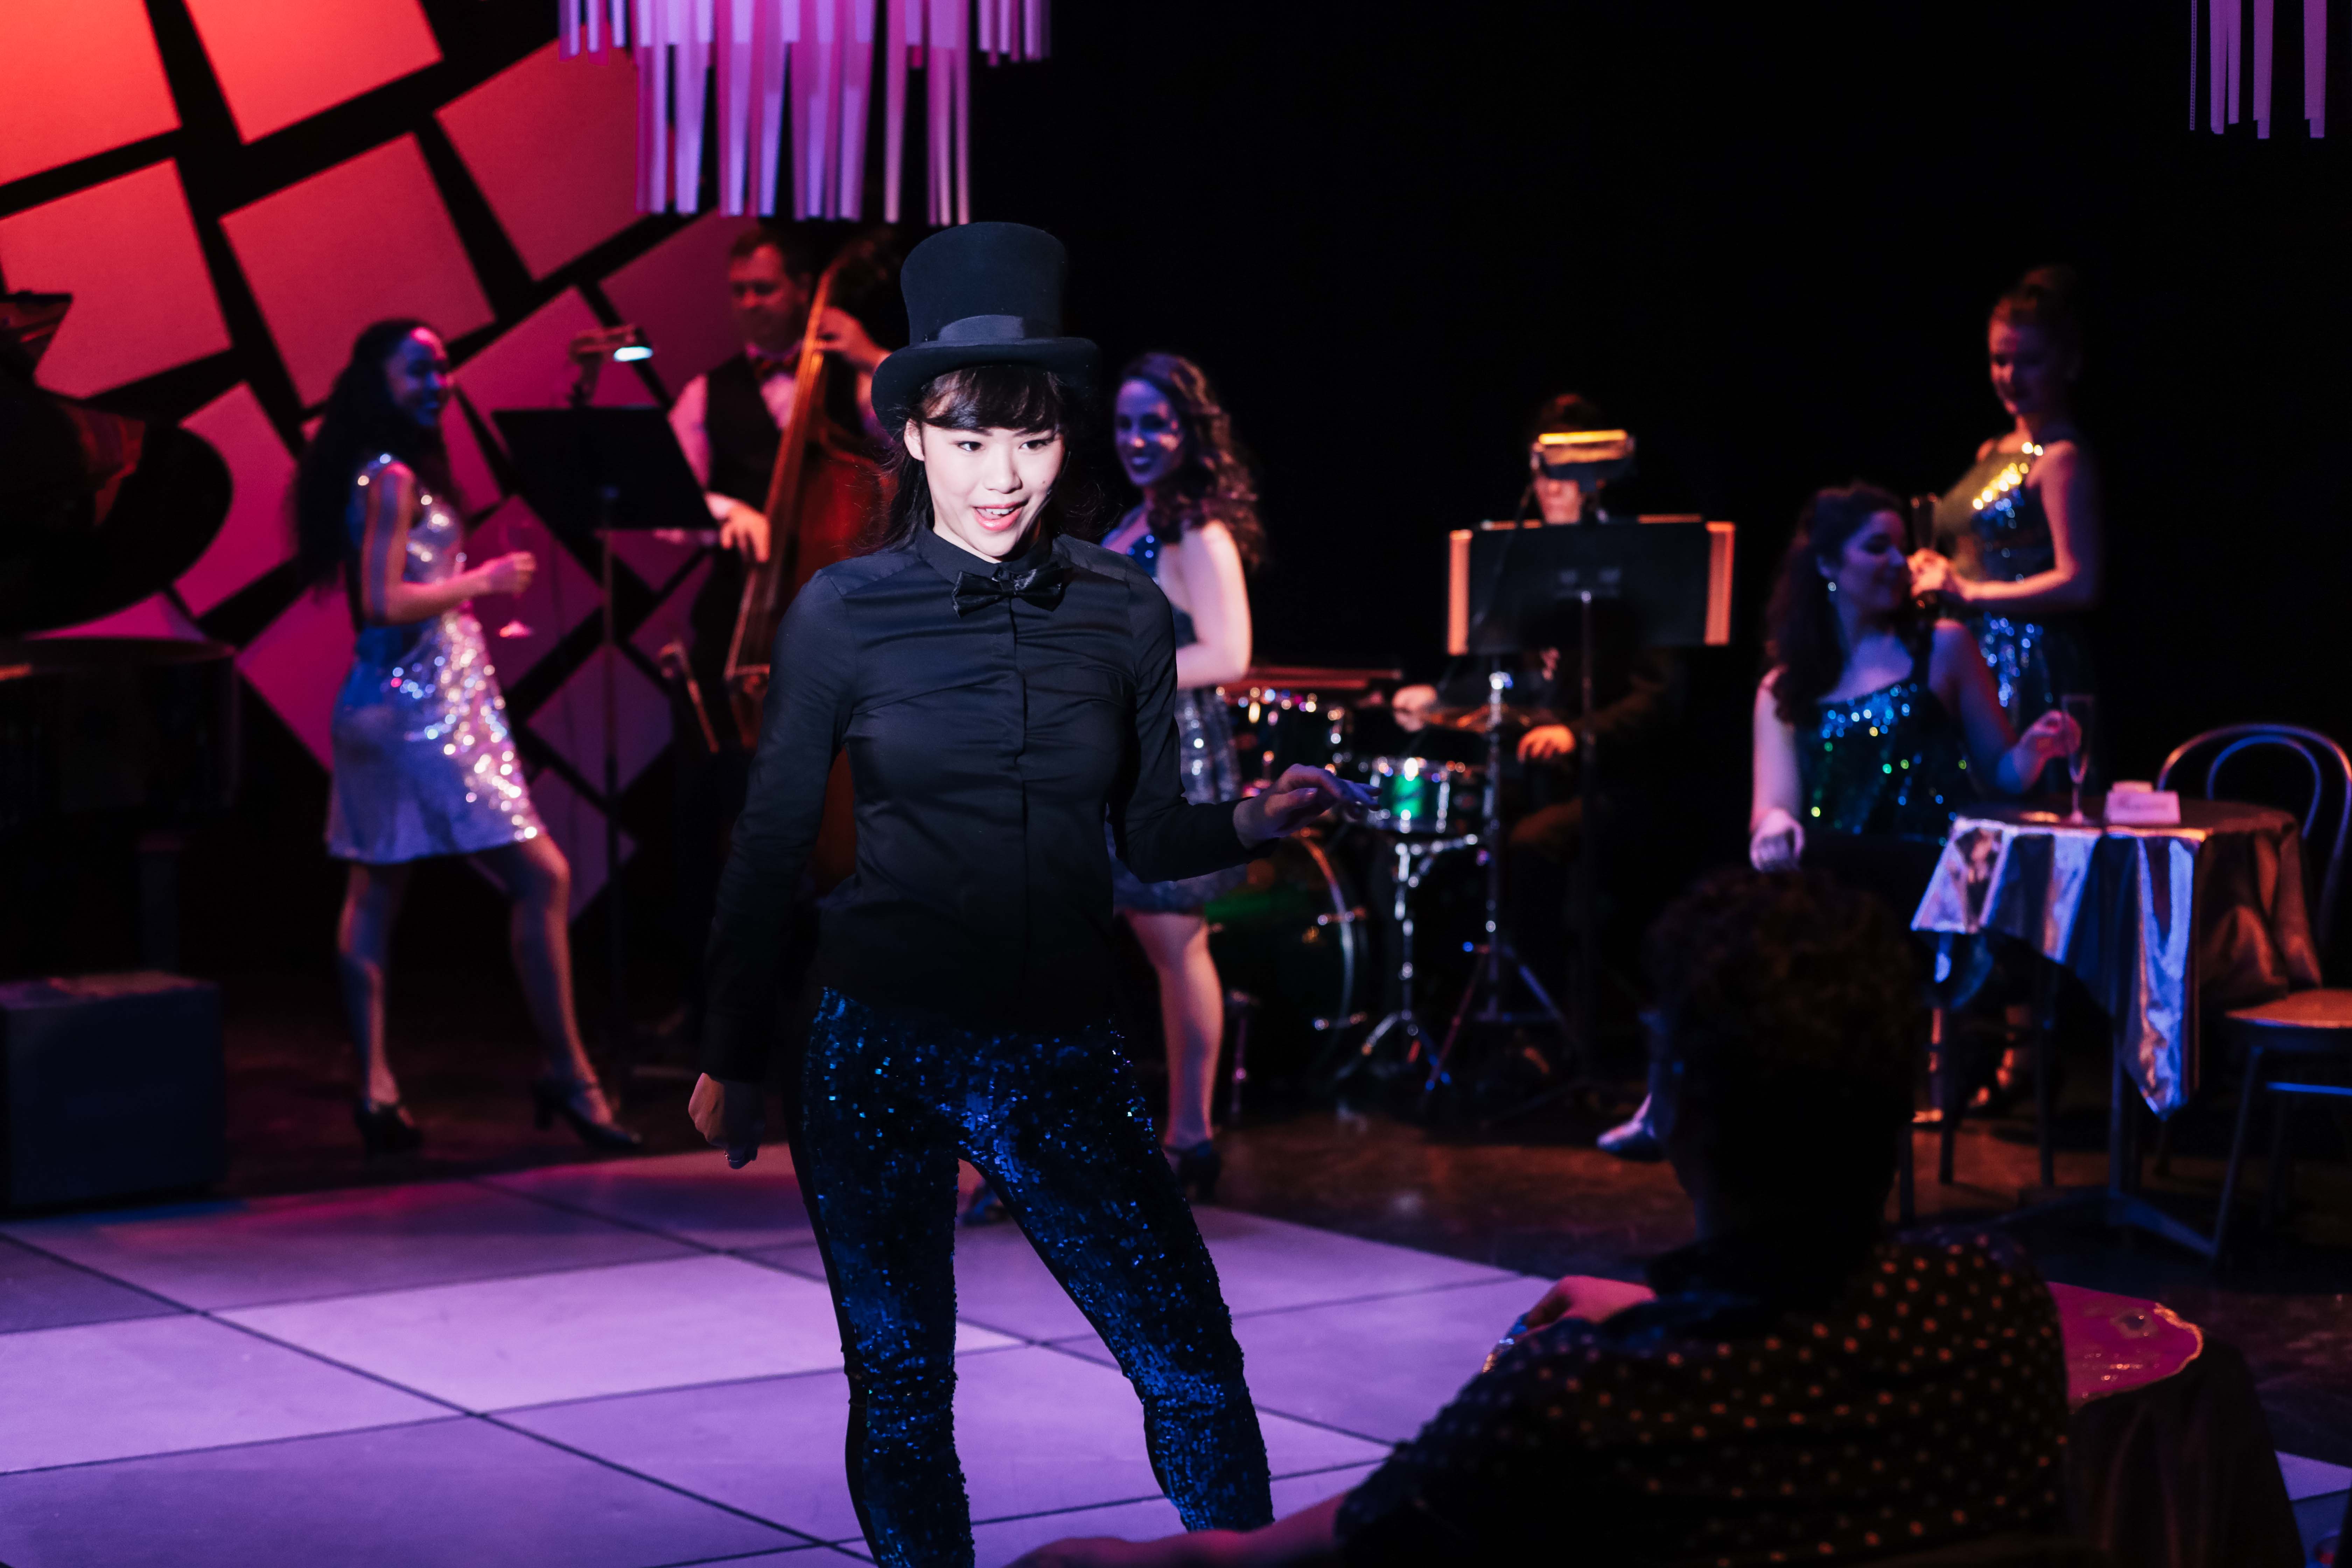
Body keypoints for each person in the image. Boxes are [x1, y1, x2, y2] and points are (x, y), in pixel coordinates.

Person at [687, 223, 1354, 1568]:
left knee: (1189, 1359)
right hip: (873, 1038)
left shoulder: (1122, 608)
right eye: (969, 438)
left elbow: (1149, 831)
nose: (1004, 474)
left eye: (1033, 438)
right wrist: (732, 1052)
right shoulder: (842, 611)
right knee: (901, 1385)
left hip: (1056, 1042)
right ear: (912, 438)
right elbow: (769, 845)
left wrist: (1249, 818)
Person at [1009, 868, 2073, 1567]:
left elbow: (1278, 1561)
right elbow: (1810, 1345)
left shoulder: (1581, 1401)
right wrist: (1660, 1317)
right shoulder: (1999, 1310)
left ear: (1676, 1111)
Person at [295, 319, 638, 1156]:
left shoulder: (394, 468)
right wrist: (480, 580)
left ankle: (378, 1088)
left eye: (444, 367)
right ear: (378, 379)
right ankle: (570, 1076)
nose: (437, 382)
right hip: (413, 714)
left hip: (410, 707)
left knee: (378, 890)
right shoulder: (392, 476)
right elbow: (380, 601)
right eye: (418, 369)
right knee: (540, 874)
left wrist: (578, 390)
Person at [1391, 394, 1686, 1151]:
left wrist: (1576, 733)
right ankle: (1477, 1027)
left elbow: (1660, 698)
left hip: (1622, 784)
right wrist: (1440, 700)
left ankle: (1553, 1029)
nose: (1552, 485)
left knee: (1529, 845)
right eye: (1542, 469)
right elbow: (1513, 685)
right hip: (1543, 780)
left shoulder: (1636, 562)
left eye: (1567, 470)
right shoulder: (1522, 565)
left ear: (1599, 476)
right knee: (1470, 833)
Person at [663, 225, 892, 1047]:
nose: (751, 305)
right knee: (714, 822)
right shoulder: (706, 392)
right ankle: (714, 1005)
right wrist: (724, 510)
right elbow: (672, 499)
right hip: (736, 628)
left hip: (826, 640)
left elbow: (916, 435)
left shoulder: (847, 381)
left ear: (802, 291)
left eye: (764, 289)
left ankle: (827, 996)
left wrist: (870, 356)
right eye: (739, 291)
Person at [1098, 353, 1265, 1200]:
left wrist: (1122, 677)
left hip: (1169, 754)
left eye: (1155, 424)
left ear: (1189, 432)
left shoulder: (1198, 529)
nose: (1137, 439)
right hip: (1118, 752)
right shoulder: (1142, 518)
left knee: (1174, 941)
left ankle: (1190, 1137)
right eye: (1125, 423)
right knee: (1145, 943)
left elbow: (1229, 655)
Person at [1910, 266, 2100, 727]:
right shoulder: (1992, 451)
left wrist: (1970, 591)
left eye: (2030, 361)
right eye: (2000, 360)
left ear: (2068, 363)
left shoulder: (2061, 458)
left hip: (2027, 657)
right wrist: (1942, 571)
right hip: (1972, 649)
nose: (2011, 376)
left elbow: (2080, 582)